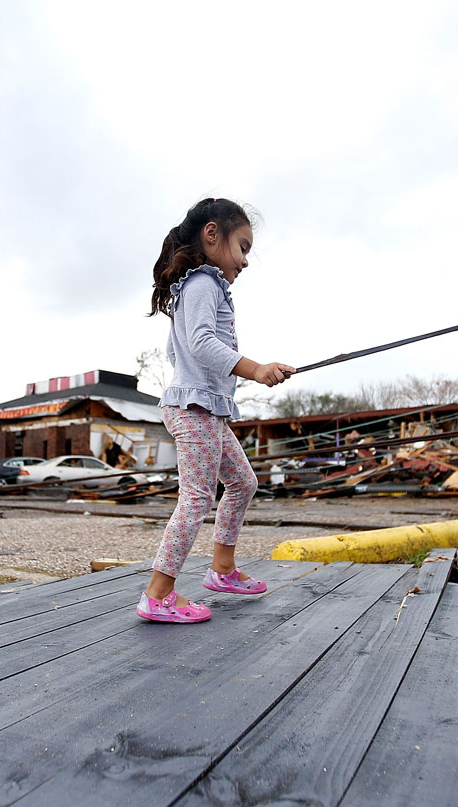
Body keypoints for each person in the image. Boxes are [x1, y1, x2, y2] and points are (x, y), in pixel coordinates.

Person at [138, 197, 295, 623]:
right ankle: (158, 594)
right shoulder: (203, 283)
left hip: (206, 408)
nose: (245, 261)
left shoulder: (197, 287)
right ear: (212, 235)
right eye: (242, 247)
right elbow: (201, 344)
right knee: (197, 497)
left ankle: (222, 569)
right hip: (194, 409)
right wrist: (254, 368)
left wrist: (220, 380)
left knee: (243, 484)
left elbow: (177, 350)